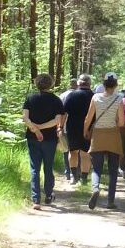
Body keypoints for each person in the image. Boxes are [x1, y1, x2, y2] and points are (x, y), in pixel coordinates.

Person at [22, 74, 66, 207]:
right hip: (50, 139)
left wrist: (35, 129)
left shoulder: (30, 98)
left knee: (34, 168)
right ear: (51, 84)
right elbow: (57, 120)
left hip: (32, 138)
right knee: (48, 167)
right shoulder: (56, 100)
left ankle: (35, 199)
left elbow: (25, 118)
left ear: (37, 84)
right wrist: (41, 128)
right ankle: (48, 194)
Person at [85, 74, 125, 209]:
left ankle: (95, 189)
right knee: (113, 170)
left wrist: (85, 131)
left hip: (98, 135)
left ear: (103, 85)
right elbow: (122, 122)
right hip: (113, 135)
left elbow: (88, 118)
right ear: (115, 86)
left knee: (96, 168)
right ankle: (110, 201)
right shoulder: (119, 99)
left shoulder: (95, 97)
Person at [61, 75, 95, 185]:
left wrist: (60, 127)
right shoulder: (93, 96)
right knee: (85, 154)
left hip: (72, 127)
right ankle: (84, 179)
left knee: (73, 152)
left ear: (79, 83)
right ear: (89, 84)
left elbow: (64, 113)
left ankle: (74, 177)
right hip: (89, 128)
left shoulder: (72, 95)